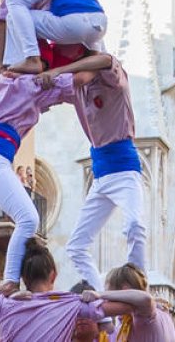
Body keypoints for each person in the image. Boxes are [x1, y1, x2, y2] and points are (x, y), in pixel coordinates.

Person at [39, 52, 147, 289]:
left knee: (134, 226)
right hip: (100, 175)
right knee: (76, 245)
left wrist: (59, 69)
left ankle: (137, 285)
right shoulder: (79, 91)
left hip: (124, 169)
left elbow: (106, 60)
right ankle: (102, 295)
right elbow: (46, 90)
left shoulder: (115, 82)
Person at [0, 72, 73, 290]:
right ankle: (10, 281)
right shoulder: (30, 83)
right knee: (29, 219)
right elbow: (74, 84)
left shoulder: (3, 83)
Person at [0, 238, 132, 342]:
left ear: (23, 278)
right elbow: (127, 306)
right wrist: (101, 294)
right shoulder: (70, 304)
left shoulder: (4, 304)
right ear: (53, 275)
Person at [81, 263, 174, 342]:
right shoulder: (157, 312)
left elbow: (146, 299)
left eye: (109, 294)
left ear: (125, 290)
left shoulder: (146, 315)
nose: (106, 301)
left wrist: (100, 295)